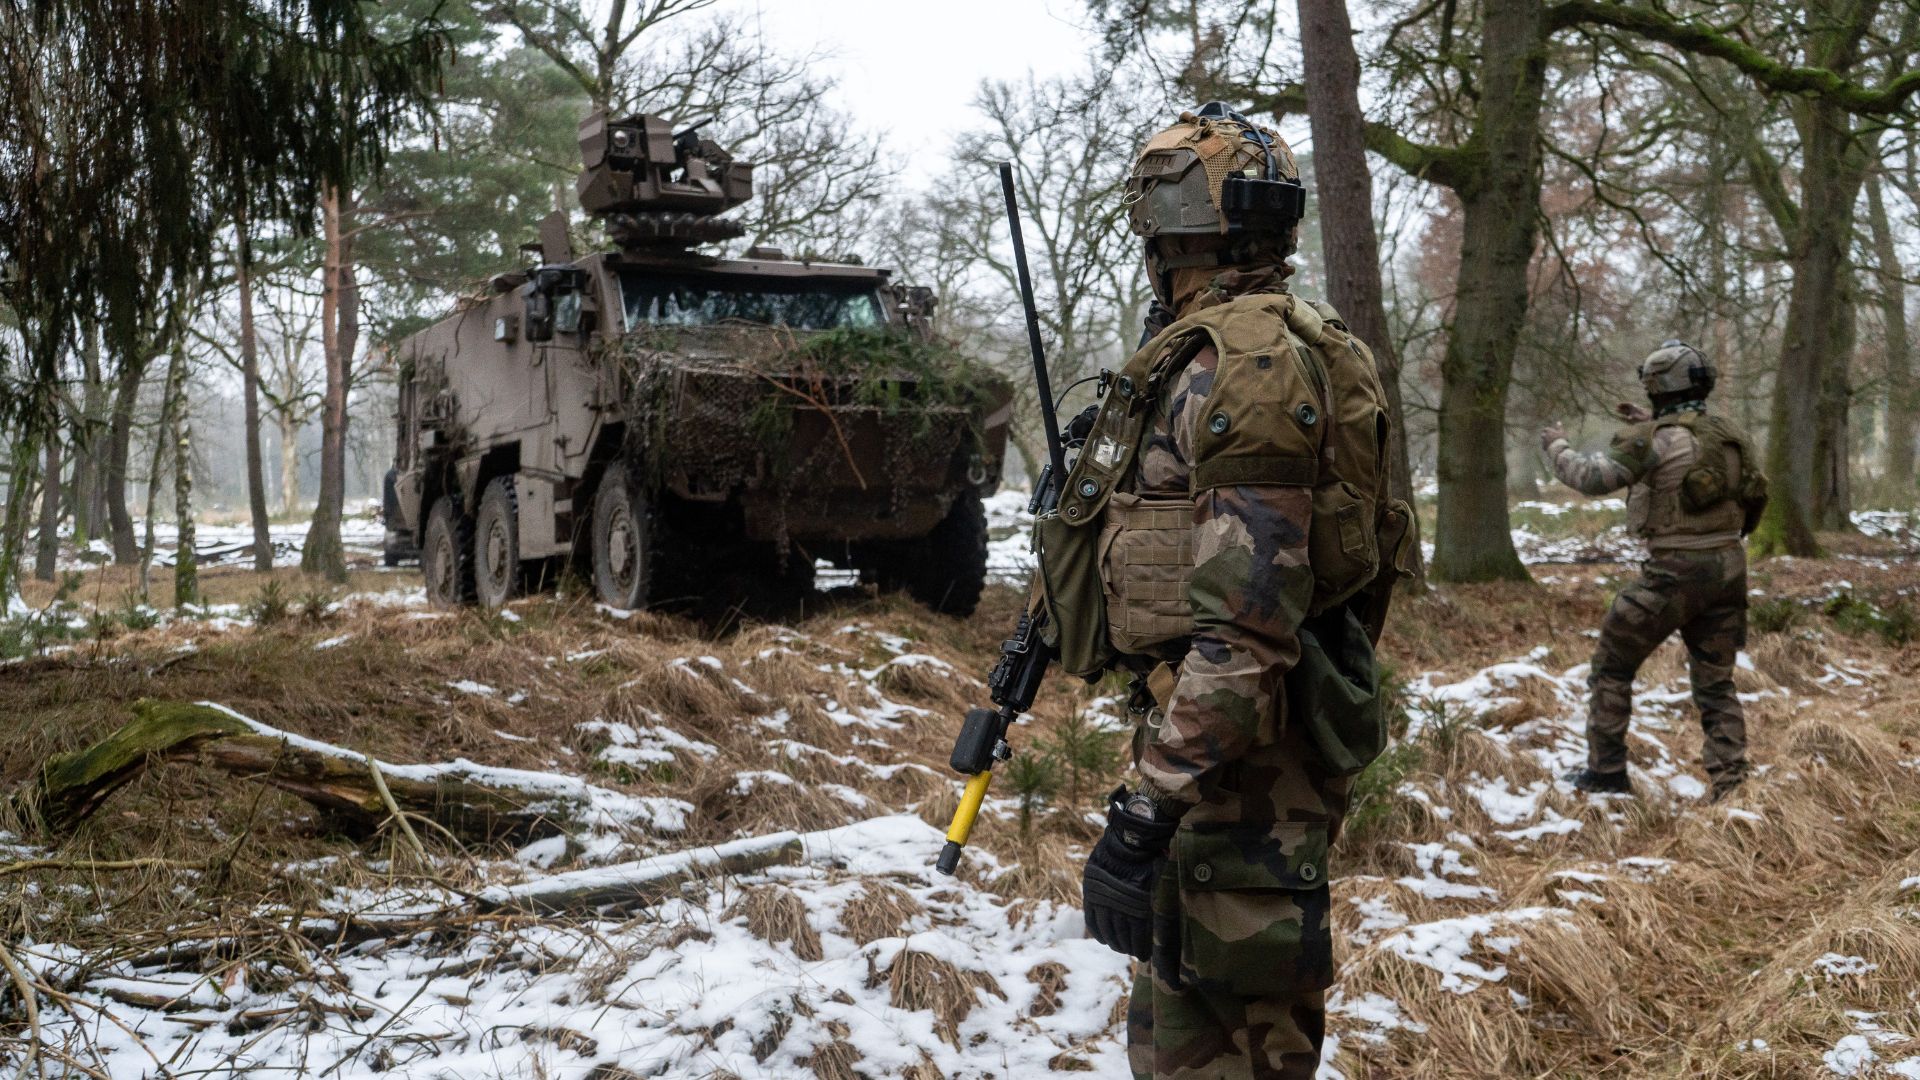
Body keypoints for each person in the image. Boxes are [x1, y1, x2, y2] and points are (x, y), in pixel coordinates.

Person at [1064, 103, 1407, 1080]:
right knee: (1188, 1042)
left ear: (1175, 231)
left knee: (1234, 1055)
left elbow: (1246, 640)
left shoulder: (1241, 373)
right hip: (1228, 778)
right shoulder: (1258, 345)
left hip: (1246, 782)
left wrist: (1143, 810)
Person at [1540, 340, 1768, 801]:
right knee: (1716, 682)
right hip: (1728, 569)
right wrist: (1648, 426)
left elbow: (1592, 478)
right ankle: (1731, 785)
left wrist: (1557, 447)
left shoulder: (1655, 442)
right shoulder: (1726, 433)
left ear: (1656, 388)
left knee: (1611, 665)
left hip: (1673, 574)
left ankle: (1606, 773)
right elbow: (1691, 451)